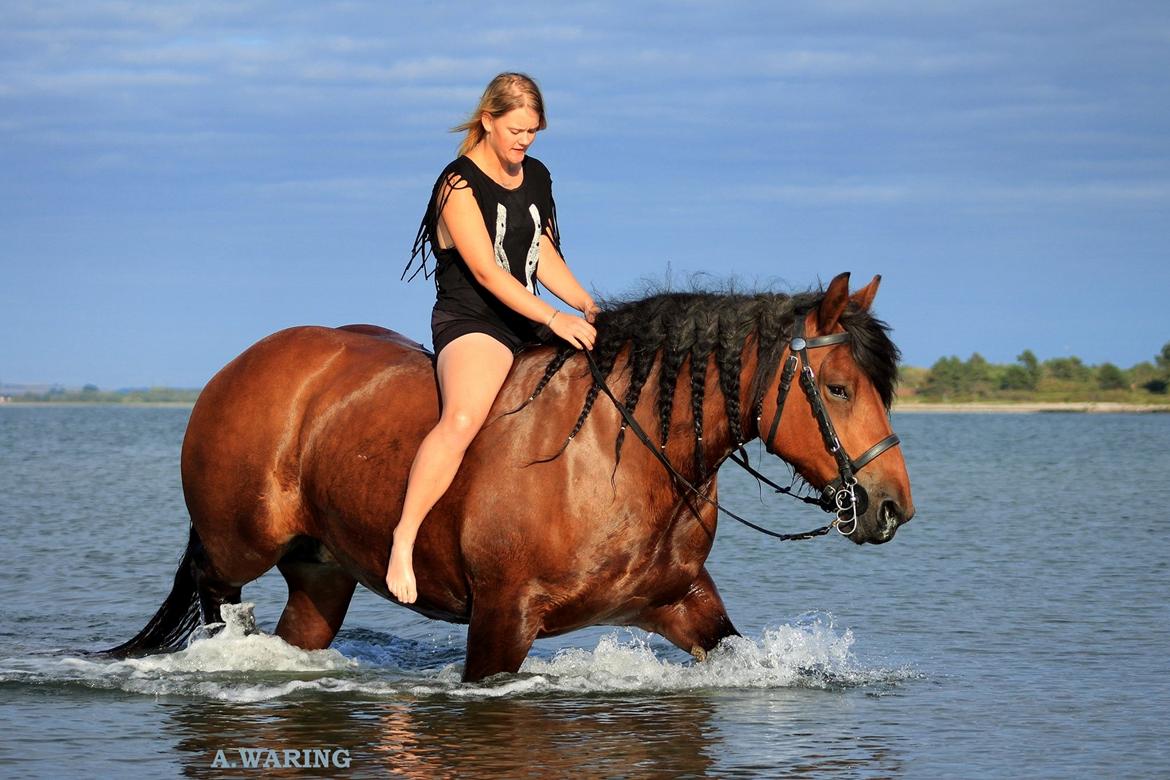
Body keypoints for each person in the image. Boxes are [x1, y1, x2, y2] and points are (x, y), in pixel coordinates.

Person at [389, 73, 598, 604]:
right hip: (472, 319)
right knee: (461, 419)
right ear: (488, 119)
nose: (524, 140)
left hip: (525, 317)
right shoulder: (456, 184)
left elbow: (541, 255)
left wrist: (589, 306)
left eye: (533, 131)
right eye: (516, 129)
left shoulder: (538, 176)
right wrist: (555, 320)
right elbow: (487, 272)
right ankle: (404, 538)